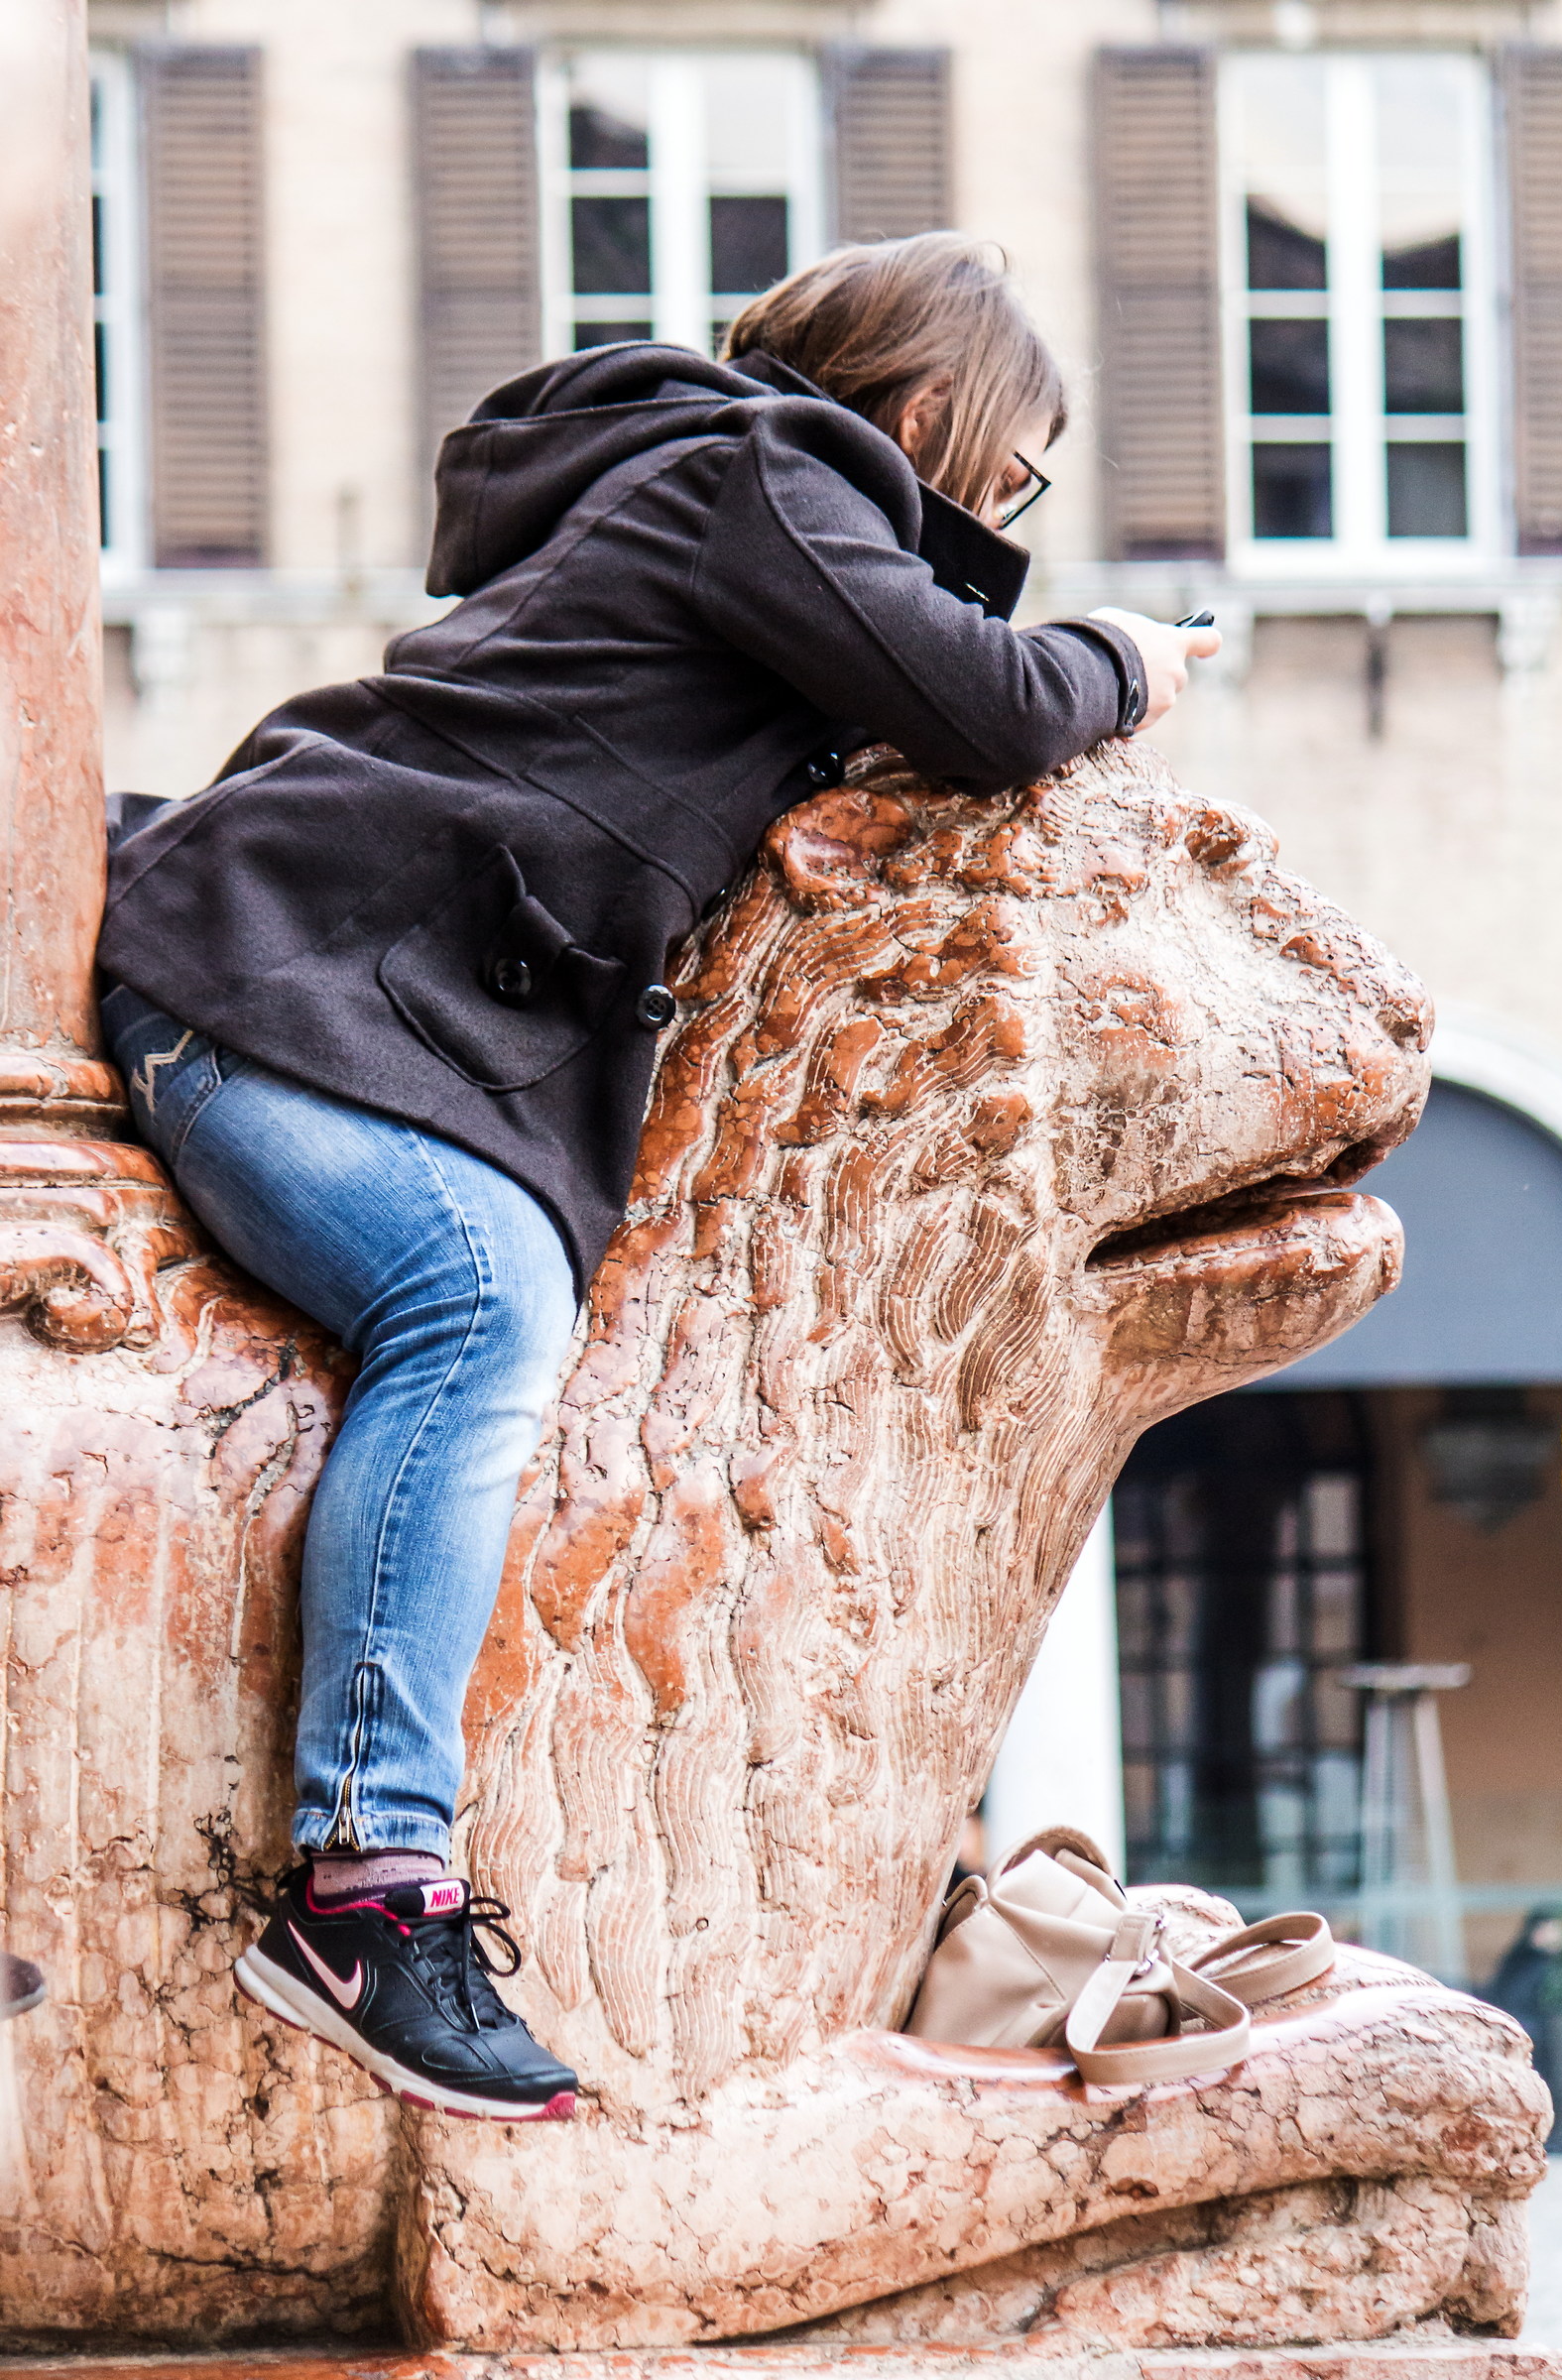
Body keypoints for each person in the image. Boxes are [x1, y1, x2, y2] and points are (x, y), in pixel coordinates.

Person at [97, 233, 1220, 2123]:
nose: (990, 521)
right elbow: (999, 702)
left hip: (307, 987)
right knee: (474, 1306)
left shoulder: (702, 504)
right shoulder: (764, 473)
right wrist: (1126, 658)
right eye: (1008, 479)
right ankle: (370, 1895)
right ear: (933, 415)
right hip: (263, 979)